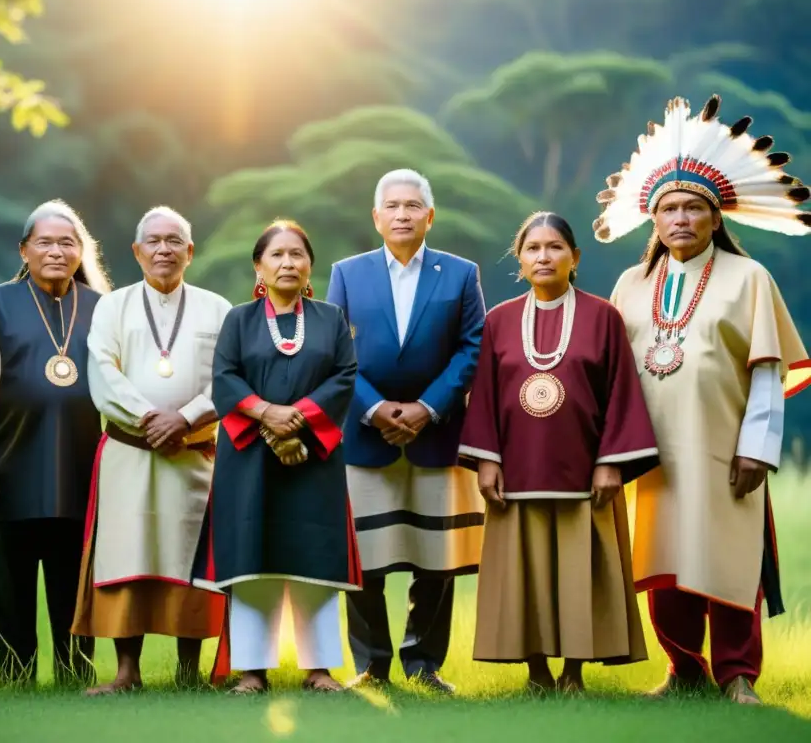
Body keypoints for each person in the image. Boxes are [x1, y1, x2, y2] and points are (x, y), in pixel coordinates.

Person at [596, 94, 811, 704]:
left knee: (729, 559)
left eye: (694, 208)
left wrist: (758, 449)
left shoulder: (750, 279)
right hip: (651, 453)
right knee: (666, 562)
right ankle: (683, 669)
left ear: (717, 218)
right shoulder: (629, 284)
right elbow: (610, 374)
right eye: (669, 209)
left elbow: (766, 370)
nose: (681, 219)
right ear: (653, 219)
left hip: (725, 450)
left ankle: (738, 675)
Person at [459, 211, 658, 692]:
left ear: (575, 257)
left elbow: (622, 393)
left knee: (578, 572)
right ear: (520, 261)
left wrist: (611, 462)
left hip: (586, 471)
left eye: (554, 247)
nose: (543, 256)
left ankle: (573, 671)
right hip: (517, 469)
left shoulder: (602, 317)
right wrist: (487, 460)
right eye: (532, 248)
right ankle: (536, 672)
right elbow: (483, 395)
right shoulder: (499, 320)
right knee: (524, 571)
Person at [325, 169, 485, 692]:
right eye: (391, 206)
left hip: (436, 435)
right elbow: (335, 352)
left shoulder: (460, 274)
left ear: (429, 216)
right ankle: (371, 666)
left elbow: (471, 348)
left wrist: (426, 408)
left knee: (435, 559)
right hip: (364, 436)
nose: (401, 214)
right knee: (363, 559)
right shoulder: (347, 273)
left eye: (412, 205)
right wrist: (374, 410)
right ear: (376, 217)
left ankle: (424, 665)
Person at [191, 220, 360, 695]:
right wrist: (267, 415)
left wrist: (300, 419)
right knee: (253, 559)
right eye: (278, 255)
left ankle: (321, 669)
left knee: (315, 560)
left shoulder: (329, 318)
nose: (288, 262)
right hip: (249, 460)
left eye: (297, 254)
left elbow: (345, 377)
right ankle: (251, 670)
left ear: (310, 265)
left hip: (314, 460)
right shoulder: (240, 320)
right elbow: (224, 377)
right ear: (259, 266)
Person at [71, 207, 231, 693]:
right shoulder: (112, 306)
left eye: (174, 240)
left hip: (194, 452)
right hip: (131, 450)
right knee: (128, 554)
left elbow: (229, 378)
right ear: (137, 252)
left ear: (190, 251)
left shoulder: (217, 308)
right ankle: (126, 672)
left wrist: (184, 418)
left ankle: (189, 671)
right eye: (154, 242)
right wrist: (149, 419)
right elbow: (103, 370)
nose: (164, 249)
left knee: (192, 560)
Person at [0, 200, 112, 686]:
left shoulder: (103, 307)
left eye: (67, 242)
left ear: (81, 251)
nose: (56, 251)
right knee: (12, 578)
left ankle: (76, 671)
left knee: (72, 576)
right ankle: (15, 676)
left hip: (82, 463)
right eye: (45, 242)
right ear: (24, 250)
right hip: (10, 459)